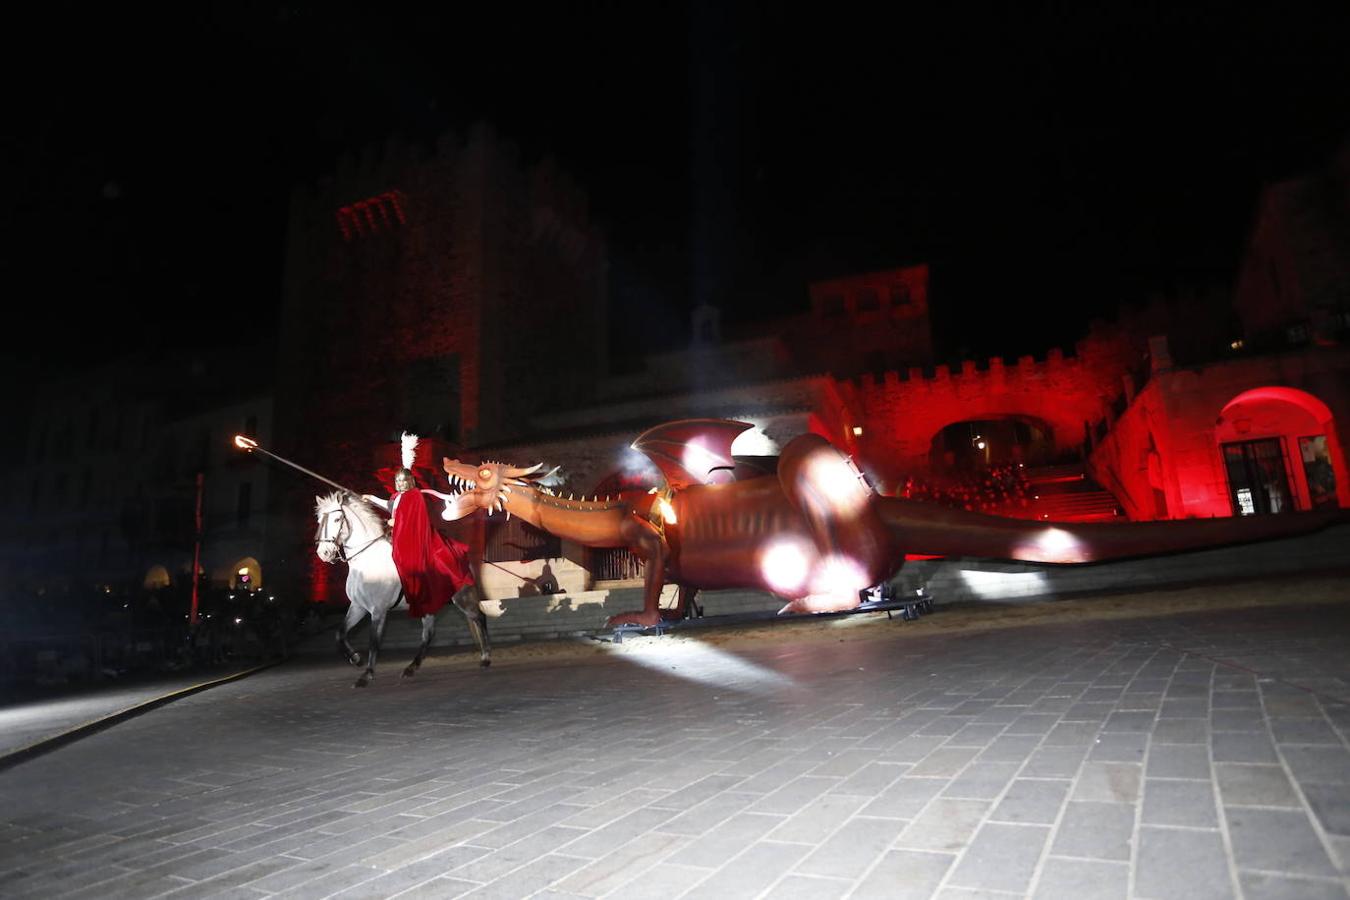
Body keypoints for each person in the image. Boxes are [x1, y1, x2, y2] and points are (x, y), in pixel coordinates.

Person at [363, 448, 475, 619]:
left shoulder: (415, 496)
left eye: (403, 482)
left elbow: (413, 519)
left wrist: (396, 522)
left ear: (410, 481)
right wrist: (371, 498)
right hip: (397, 535)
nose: (400, 485)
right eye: (397, 482)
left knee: (403, 558)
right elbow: (390, 507)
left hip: (410, 538)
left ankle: (415, 592)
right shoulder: (396, 497)